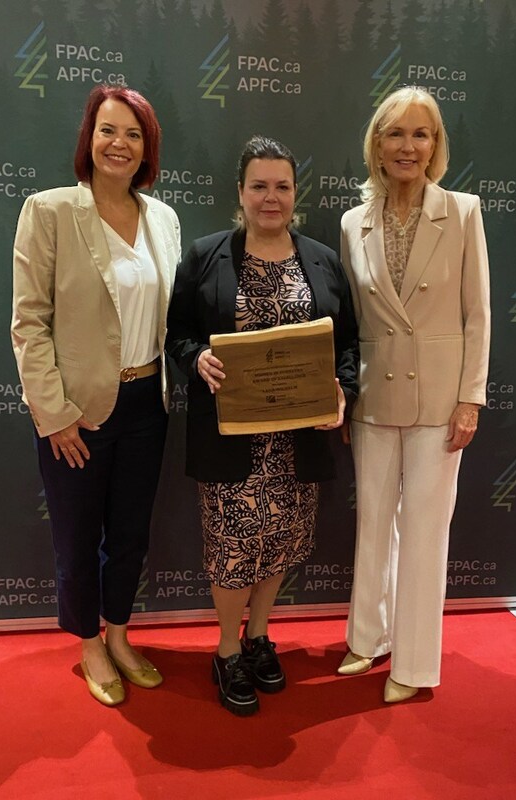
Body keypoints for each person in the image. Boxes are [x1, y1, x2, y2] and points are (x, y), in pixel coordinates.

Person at [167, 135, 358, 716]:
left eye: (281, 187)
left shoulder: (322, 260)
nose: (270, 198)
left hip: (297, 441)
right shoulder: (205, 256)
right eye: (259, 187)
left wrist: (342, 388)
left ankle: (257, 638)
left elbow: (347, 345)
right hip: (230, 440)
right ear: (241, 193)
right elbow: (176, 336)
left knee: (278, 547)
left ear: (295, 194)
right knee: (232, 550)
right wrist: (197, 359)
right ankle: (227, 651)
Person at [11, 85, 181, 706]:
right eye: (109, 131)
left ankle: (119, 632)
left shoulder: (162, 218)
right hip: (77, 410)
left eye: (134, 135)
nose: (120, 144)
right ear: (89, 138)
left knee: (131, 533)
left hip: (146, 403)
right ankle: (87, 643)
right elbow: (29, 321)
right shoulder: (50, 210)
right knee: (78, 534)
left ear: (147, 149)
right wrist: (53, 414)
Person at [338, 86, 490, 703]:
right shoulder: (355, 221)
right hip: (375, 398)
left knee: (426, 531)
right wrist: (345, 396)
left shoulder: (463, 211)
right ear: (376, 143)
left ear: (437, 145)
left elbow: (477, 313)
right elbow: (351, 319)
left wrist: (470, 398)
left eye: (420, 134)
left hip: (439, 402)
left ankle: (416, 663)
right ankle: (366, 637)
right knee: (373, 522)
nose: (408, 146)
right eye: (395, 133)